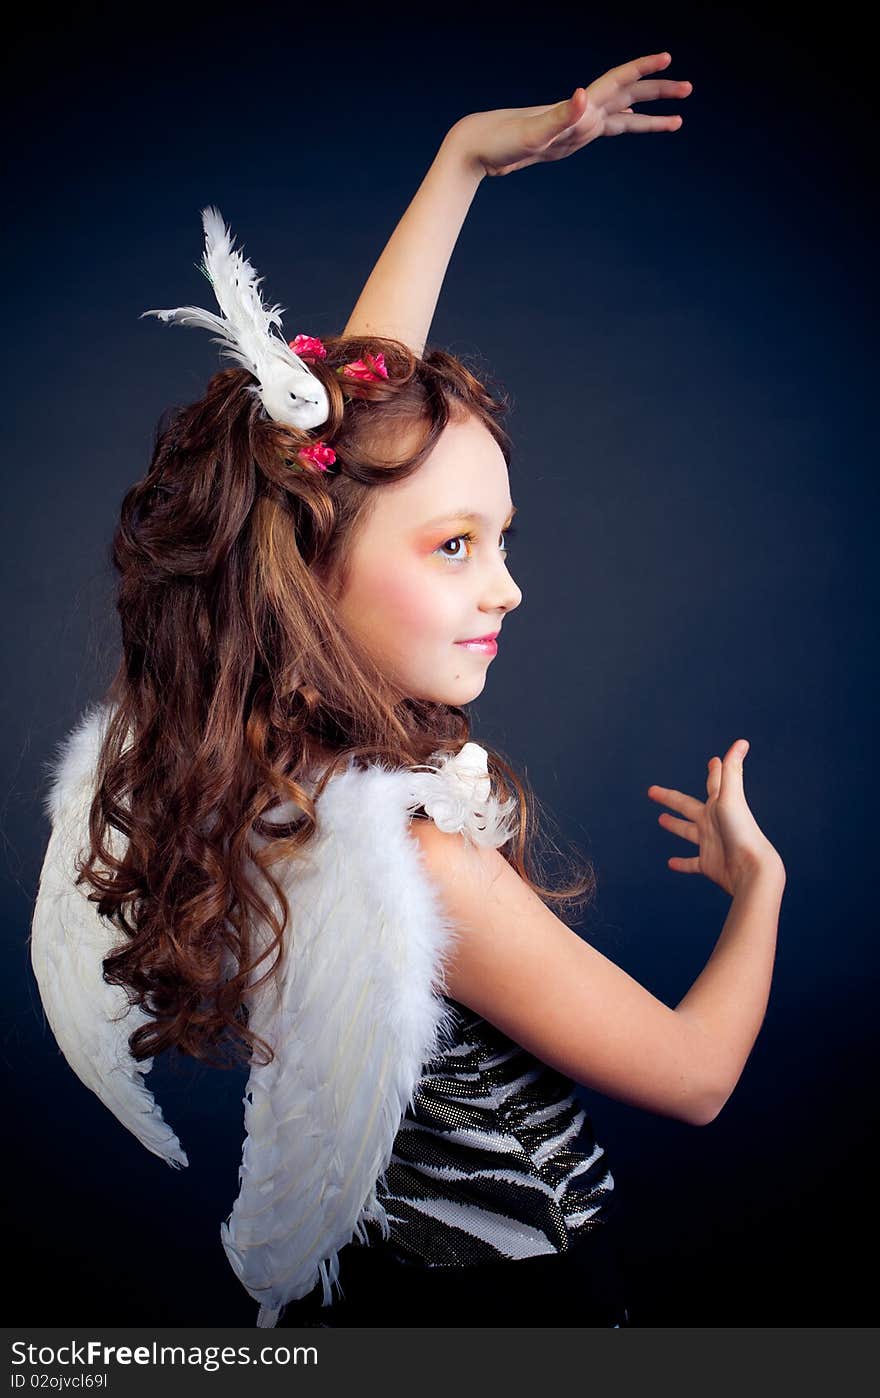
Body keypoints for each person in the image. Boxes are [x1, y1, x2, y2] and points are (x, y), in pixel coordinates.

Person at [30, 51, 787, 1330]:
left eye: (501, 539)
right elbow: (697, 1078)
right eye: (456, 548)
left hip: (386, 1290)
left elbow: (343, 449)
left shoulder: (255, 778)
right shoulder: (419, 868)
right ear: (307, 568)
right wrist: (760, 887)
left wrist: (463, 162)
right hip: (511, 1304)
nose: (508, 590)